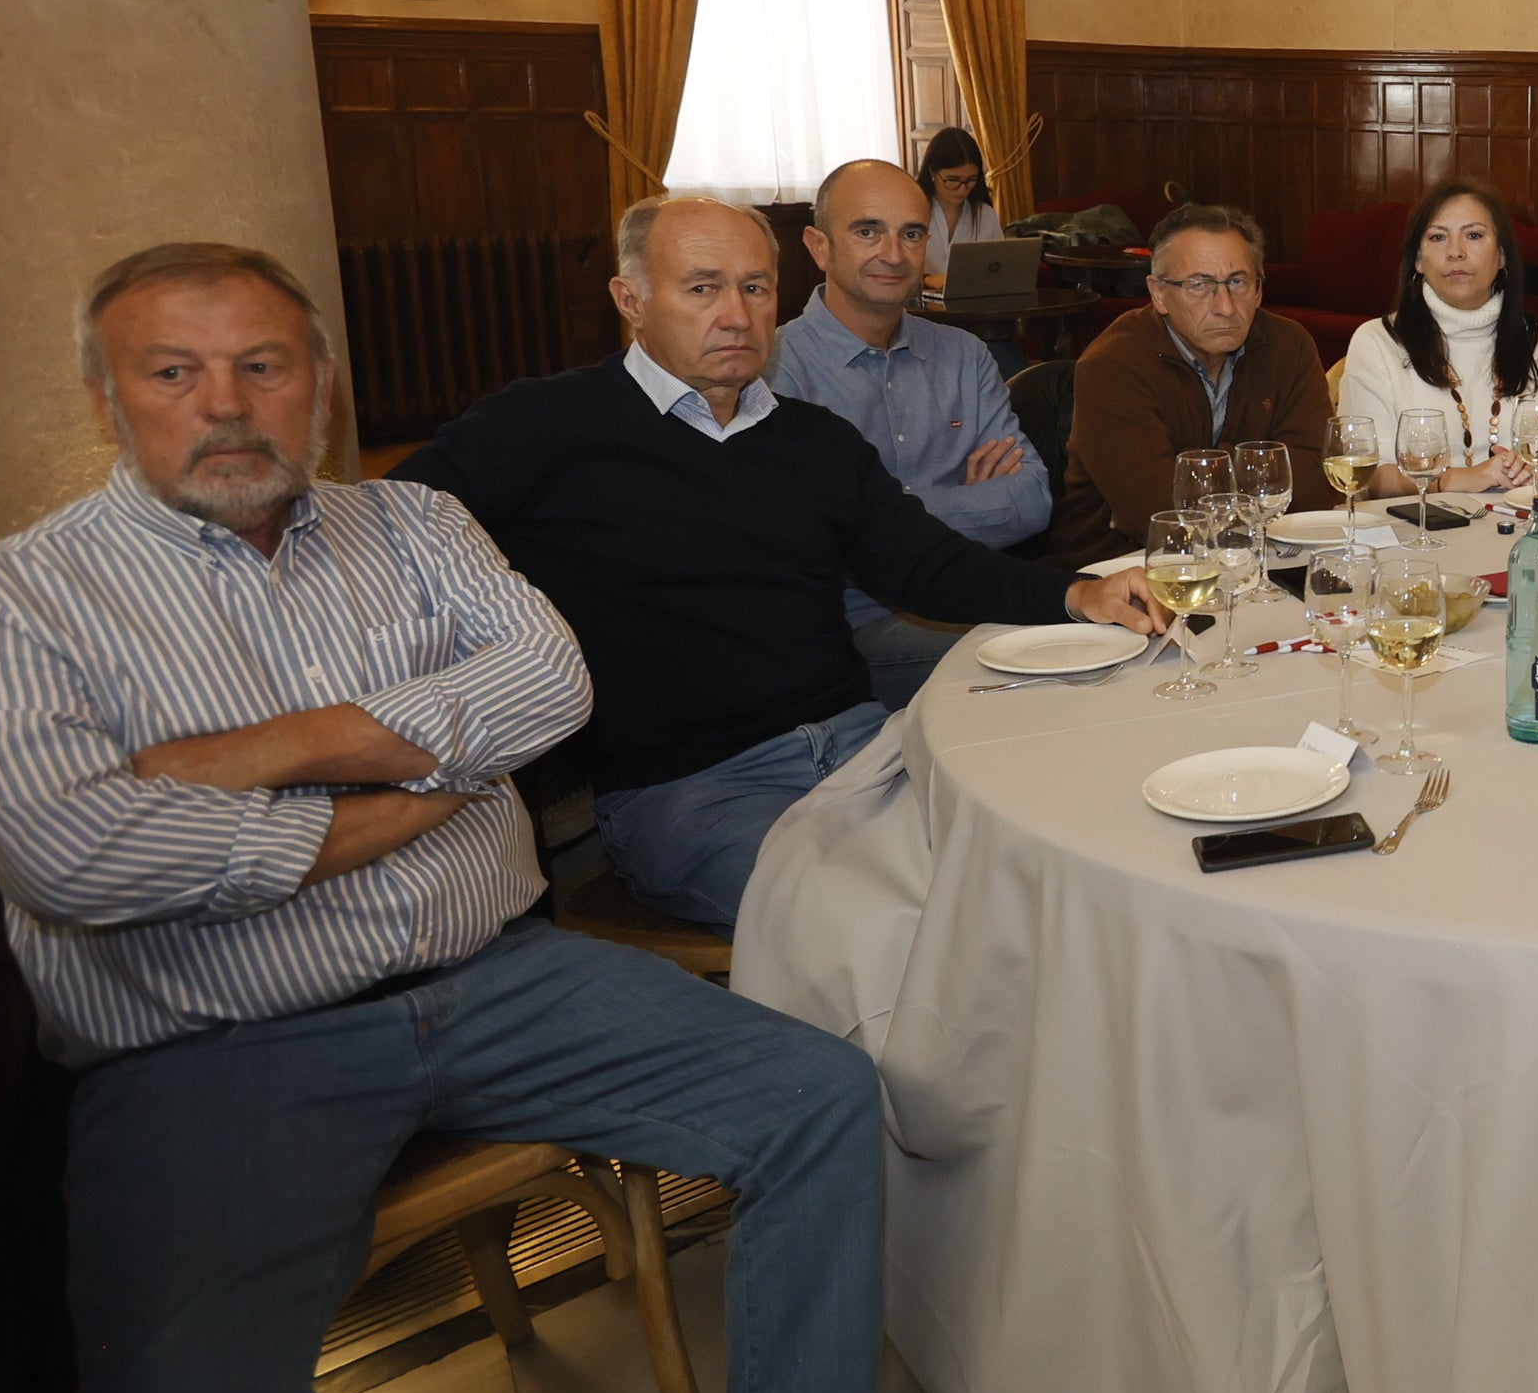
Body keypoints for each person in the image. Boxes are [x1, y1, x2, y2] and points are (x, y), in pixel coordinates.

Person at [0, 242, 1022, 1393]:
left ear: (322, 385)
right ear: (105, 397)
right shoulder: (3, 606)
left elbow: (550, 685)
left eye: (263, 365)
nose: (227, 404)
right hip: (213, 1042)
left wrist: (271, 755)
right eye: (173, 372)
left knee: (816, 1093)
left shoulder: (416, 525)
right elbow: (77, 854)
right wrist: (420, 787)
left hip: (500, 977)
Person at [397, 193, 1160, 930]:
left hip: (867, 750)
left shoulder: (816, 440)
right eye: (703, 288)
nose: (737, 315)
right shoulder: (545, 426)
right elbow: (385, 534)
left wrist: (1078, 595)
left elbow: (929, 565)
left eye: (756, 288)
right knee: (896, 923)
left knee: (1049, 864)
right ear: (631, 301)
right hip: (695, 790)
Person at [771, 160, 1053, 712]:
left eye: (912, 234)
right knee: (1048, 662)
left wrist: (879, 516)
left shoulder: (964, 354)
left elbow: (1032, 501)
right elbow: (814, 541)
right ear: (819, 247)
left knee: (1100, 628)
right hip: (853, 627)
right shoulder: (776, 371)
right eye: (867, 231)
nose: (893, 254)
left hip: (976, 592)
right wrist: (965, 503)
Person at [1049, 203, 1337, 563]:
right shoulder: (1112, 364)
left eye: (1237, 282)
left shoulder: (1289, 345)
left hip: (1266, 559)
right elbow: (1154, 515)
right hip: (1124, 566)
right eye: (1199, 285)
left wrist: (1190, 475)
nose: (1225, 307)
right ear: (1158, 293)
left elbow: (1319, 482)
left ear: (1259, 290)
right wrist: (1266, 475)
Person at [1333, 180, 1538, 498]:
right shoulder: (1377, 342)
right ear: (1418, 259)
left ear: (1502, 255)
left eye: (1474, 235)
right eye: (1438, 237)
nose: (1455, 252)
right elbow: (1371, 478)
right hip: (1416, 524)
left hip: (1523, 519)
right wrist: (1453, 480)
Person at [915, 125, 1002, 281]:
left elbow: (1000, 268)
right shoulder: (912, 211)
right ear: (932, 171)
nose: (962, 189)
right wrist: (927, 280)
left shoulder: (985, 215)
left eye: (970, 180)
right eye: (953, 180)